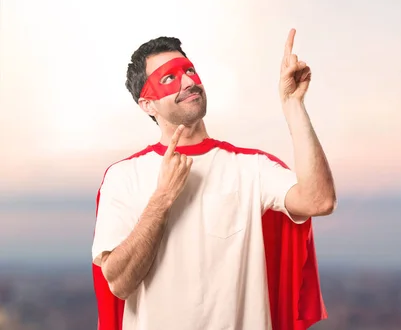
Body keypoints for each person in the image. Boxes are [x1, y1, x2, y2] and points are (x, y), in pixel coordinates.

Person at [91, 29, 337, 330]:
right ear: (147, 104)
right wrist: (163, 197)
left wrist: (293, 105)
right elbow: (118, 282)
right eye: (169, 78)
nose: (189, 81)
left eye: (190, 70)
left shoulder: (250, 167)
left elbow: (319, 200)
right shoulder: (123, 177)